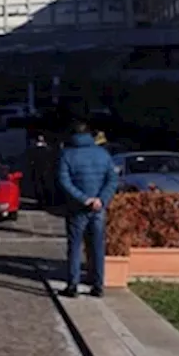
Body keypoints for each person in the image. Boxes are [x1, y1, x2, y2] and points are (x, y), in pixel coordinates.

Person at [56, 121, 118, 298]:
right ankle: (98, 285)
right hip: (98, 207)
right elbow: (112, 179)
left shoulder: (67, 155)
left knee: (75, 247)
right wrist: (101, 199)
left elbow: (64, 182)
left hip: (77, 207)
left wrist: (84, 199)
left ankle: (73, 285)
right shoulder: (103, 154)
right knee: (98, 246)